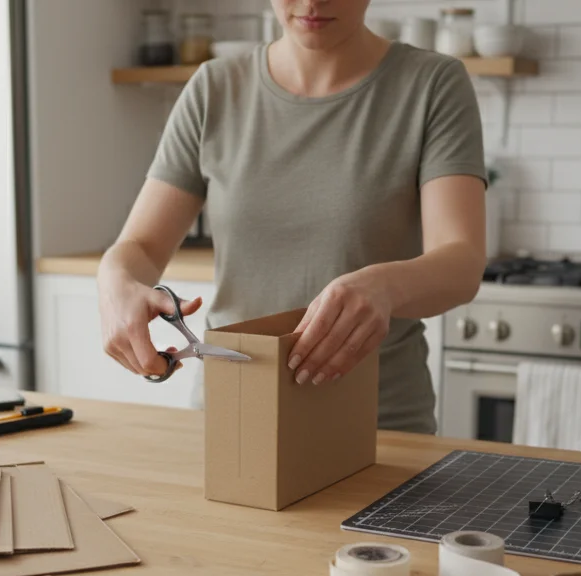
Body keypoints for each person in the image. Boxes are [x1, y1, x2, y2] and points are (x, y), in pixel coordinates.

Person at [96, 0, 487, 434]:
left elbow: (461, 262)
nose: (312, 2)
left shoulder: (432, 85)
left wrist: (384, 286)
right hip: (236, 412)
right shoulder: (214, 88)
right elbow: (141, 248)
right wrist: (115, 280)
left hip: (376, 424)